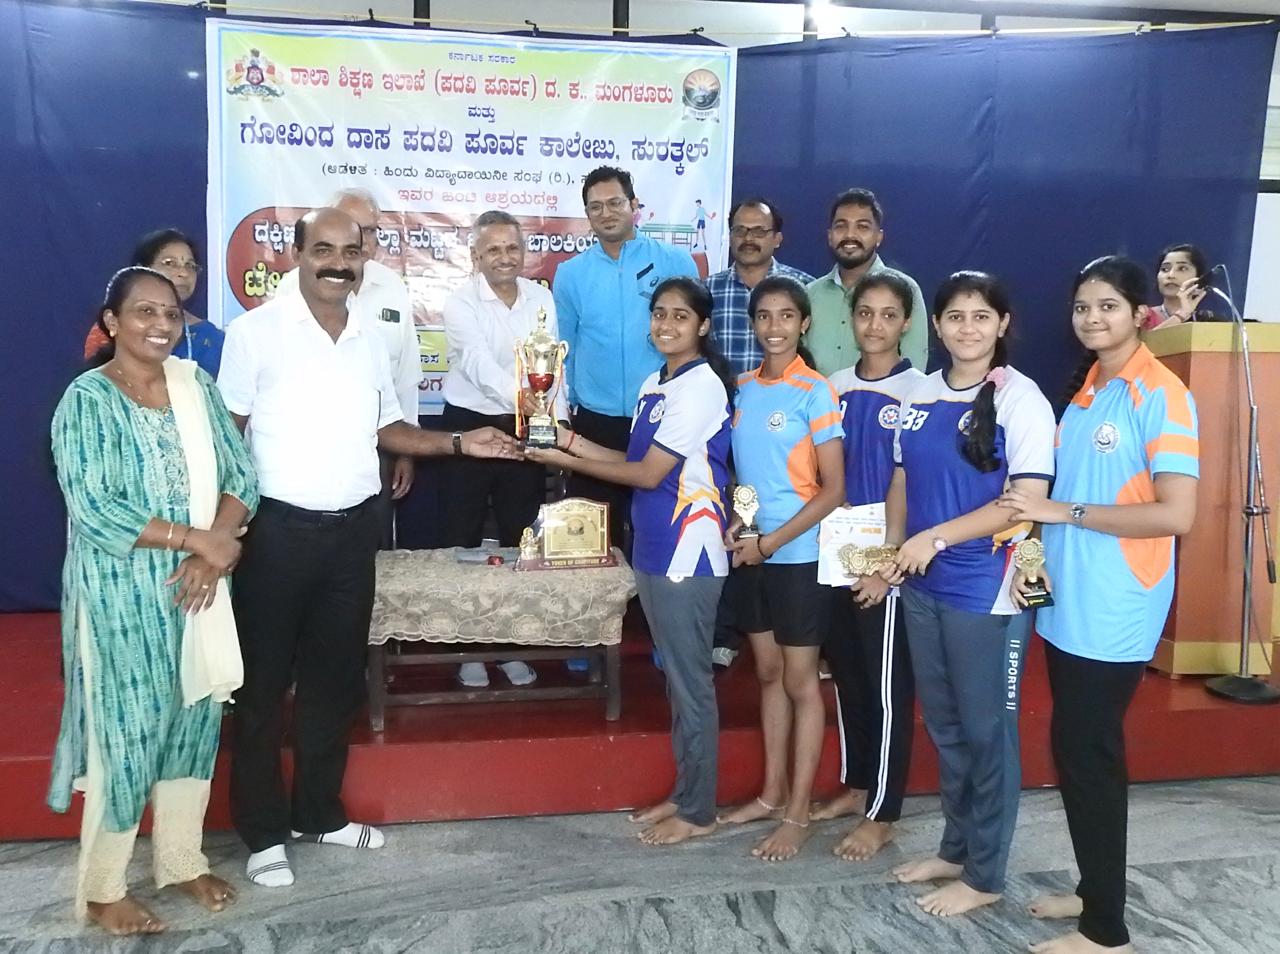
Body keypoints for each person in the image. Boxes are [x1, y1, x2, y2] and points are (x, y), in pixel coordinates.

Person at [218, 208, 520, 889]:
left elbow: (389, 427)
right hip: (276, 534)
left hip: (354, 533)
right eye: (322, 249)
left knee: (335, 683)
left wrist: (460, 443)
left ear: (363, 259)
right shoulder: (254, 333)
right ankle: (263, 834)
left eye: (349, 252)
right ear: (296, 254)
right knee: (262, 690)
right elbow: (227, 434)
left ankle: (318, 814)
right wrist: (221, 530)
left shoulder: (368, 338)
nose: (337, 263)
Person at [1000, 256, 1199, 954]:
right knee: (1075, 750)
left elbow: (1176, 514)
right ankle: (1094, 893)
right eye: (1083, 306)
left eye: (1108, 305)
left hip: (1116, 605)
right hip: (1069, 601)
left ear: (1141, 313)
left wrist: (1065, 512)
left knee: (1090, 757)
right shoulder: (1088, 389)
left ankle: (1105, 931)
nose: (1092, 318)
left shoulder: (1162, 394)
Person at [51, 266, 258, 935]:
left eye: (170, 313)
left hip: (202, 583)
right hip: (122, 591)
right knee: (131, 729)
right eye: (144, 311)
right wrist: (199, 540)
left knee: (195, 719)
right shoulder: (88, 400)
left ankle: (180, 860)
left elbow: (242, 475)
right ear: (111, 322)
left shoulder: (195, 386)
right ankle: (103, 888)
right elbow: (95, 507)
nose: (161, 325)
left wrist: (212, 550)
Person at [526, 278, 734, 846]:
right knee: (677, 684)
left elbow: (646, 475)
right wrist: (564, 441)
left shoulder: (702, 387)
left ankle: (700, 810)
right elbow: (631, 456)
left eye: (681, 316)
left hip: (688, 549)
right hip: (653, 543)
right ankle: (686, 792)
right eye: (659, 313)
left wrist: (571, 461)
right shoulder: (655, 383)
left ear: (703, 326)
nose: (667, 324)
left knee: (691, 684)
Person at [883, 271, 1055, 917]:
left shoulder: (1022, 400)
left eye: (982, 316)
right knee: (947, 726)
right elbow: (902, 479)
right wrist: (895, 550)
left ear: (1002, 324)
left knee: (988, 733)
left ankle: (986, 875)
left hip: (988, 588)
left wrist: (935, 539)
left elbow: (1024, 502)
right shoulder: (920, 392)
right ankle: (956, 850)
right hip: (923, 584)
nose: (968, 328)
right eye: (955, 316)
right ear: (937, 325)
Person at [717, 276, 845, 862]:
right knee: (768, 674)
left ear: (804, 323)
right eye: (764, 316)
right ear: (753, 324)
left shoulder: (815, 391)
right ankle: (770, 796)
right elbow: (744, 478)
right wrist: (738, 524)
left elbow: (833, 490)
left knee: (800, 682)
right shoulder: (742, 390)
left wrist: (769, 543)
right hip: (753, 553)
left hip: (797, 556)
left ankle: (798, 812)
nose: (775, 327)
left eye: (786, 316)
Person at [815, 272, 926, 861]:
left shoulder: (921, 392)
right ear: (850, 319)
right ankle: (858, 786)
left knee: (886, 689)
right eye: (865, 313)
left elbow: (911, 486)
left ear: (906, 322)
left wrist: (887, 565)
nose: (875, 325)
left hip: (886, 564)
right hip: (836, 557)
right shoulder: (832, 387)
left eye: (888, 314)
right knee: (849, 680)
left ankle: (883, 812)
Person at [441, 209, 561, 689]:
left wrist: (556, 424)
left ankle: (511, 644)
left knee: (519, 535)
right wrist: (522, 397)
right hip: (468, 425)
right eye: (493, 249)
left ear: (524, 252)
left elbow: (552, 366)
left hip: (525, 424)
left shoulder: (540, 298)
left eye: (512, 248)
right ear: (475, 256)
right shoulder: (459, 302)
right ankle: (467, 650)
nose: (504, 257)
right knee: (463, 535)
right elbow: (474, 363)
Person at [552, 165, 699, 548]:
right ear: (587, 214)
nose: (606, 213)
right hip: (595, 421)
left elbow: (694, 340)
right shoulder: (571, 274)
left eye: (615, 202)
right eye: (595, 206)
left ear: (635, 205)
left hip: (660, 417)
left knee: (659, 532)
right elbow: (563, 350)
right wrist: (565, 415)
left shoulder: (675, 262)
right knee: (592, 538)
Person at [704, 197, 814, 671]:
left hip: (788, 434)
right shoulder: (708, 291)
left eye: (759, 230)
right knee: (728, 523)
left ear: (777, 238)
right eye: (740, 229)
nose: (748, 238)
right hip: (727, 427)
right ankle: (725, 633)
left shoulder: (802, 288)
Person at [276, 188, 421, 547]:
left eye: (370, 230)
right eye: (355, 227)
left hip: (379, 442)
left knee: (374, 546)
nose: (363, 239)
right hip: (308, 445)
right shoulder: (292, 287)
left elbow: (405, 376)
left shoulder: (392, 286)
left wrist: (407, 450)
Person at [806, 188, 929, 375]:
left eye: (862, 227)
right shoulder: (810, 294)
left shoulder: (906, 289)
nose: (850, 235)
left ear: (879, 237)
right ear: (830, 236)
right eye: (841, 226)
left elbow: (914, 367)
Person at [84, 230, 224, 377]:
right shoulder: (112, 327)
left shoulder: (211, 338)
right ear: (143, 269)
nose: (184, 273)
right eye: (170, 263)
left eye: (190, 265)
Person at [1145, 243, 1210, 331]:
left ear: (1199, 278)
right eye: (1165, 269)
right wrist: (1181, 315)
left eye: (1182, 268)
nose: (1171, 275)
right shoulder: (1142, 317)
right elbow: (1145, 340)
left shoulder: (1209, 321)